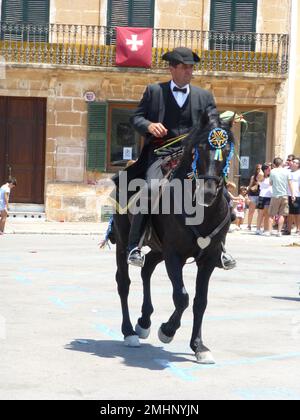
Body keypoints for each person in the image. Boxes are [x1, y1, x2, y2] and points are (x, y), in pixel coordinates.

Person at [126, 47, 223, 267]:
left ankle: (220, 247)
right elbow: (136, 118)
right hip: (161, 155)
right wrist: (149, 125)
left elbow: (214, 123)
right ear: (172, 69)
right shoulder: (154, 91)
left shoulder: (204, 96)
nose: (190, 72)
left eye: (191, 68)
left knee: (219, 189)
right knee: (150, 189)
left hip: (194, 158)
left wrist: (220, 128)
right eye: (185, 67)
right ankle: (135, 246)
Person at [268, 157, 294, 237]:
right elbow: (290, 183)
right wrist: (292, 194)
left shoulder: (272, 171)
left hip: (275, 195)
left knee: (271, 214)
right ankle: (279, 232)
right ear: (281, 163)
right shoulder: (287, 172)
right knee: (282, 214)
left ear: (274, 164)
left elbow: (270, 183)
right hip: (284, 195)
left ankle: (270, 231)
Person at [256, 163, 272, 236]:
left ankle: (266, 229)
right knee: (261, 213)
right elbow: (259, 176)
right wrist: (262, 168)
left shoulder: (271, 177)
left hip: (269, 196)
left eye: (270, 169)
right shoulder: (261, 176)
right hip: (262, 196)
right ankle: (258, 229)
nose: (269, 170)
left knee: (267, 214)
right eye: (268, 169)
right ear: (264, 170)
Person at [286, 158, 300, 235]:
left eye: (294, 162)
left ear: (298, 165)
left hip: (297, 195)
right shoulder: (288, 172)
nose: (292, 163)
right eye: (292, 161)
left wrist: (294, 194)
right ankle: (288, 229)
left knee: (297, 213)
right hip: (288, 194)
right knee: (289, 213)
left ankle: (298, 229)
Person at [247, 164, 261, 230]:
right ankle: (249, 225)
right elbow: (250, 185)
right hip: (253, 195)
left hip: (261, 195)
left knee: (260, 212)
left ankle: (260, 225)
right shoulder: (253, 177)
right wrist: (247, 194)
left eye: (260, 168)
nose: (259, 170)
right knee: (251, 211)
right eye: (258, 168)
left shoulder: (264, 177)